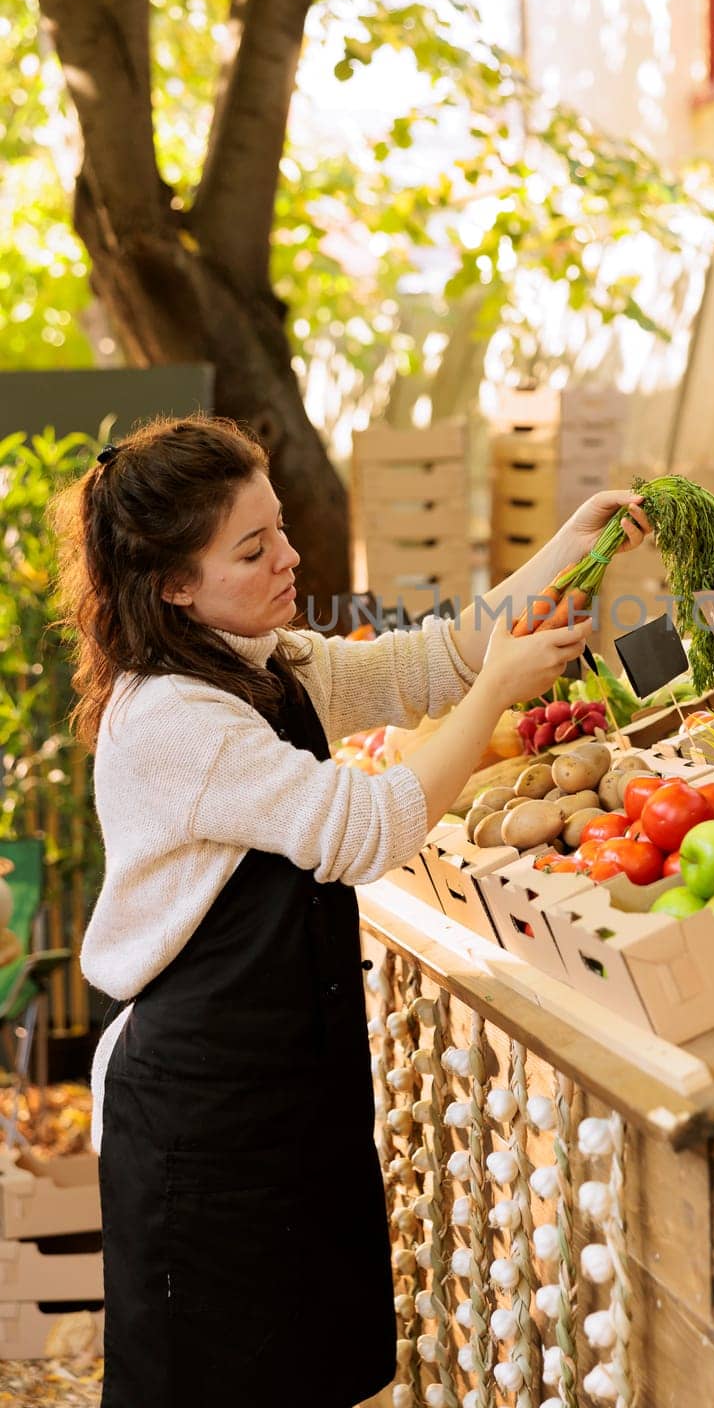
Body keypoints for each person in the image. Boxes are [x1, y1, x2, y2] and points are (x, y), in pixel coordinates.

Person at [53, 414, 649, 1408]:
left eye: (279, 527)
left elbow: (432, 661)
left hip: (286, 1094)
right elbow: (363, 826)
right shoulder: (171, 716)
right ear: (172, 584)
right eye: (252, 549)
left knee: (308, 1374)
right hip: (199, 1119)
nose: (290, 558)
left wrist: (571, 542)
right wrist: (499, 688)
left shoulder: (259, 663)